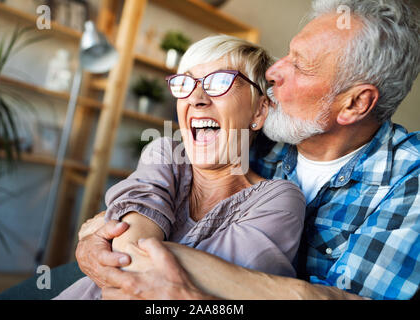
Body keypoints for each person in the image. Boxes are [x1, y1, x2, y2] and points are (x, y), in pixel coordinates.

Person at [75, 0, 420, 300]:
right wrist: (96, 237)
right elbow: (145, 196)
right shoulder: (255, 140)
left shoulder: (409, 180)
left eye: (300, 65)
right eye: (286, 54)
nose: (273, 71)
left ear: (355, 103)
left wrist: (118, 239)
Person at [54, 35, 306, 299]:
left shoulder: (279, 200)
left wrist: (104, 231)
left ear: (259, 111)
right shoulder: (165, 153)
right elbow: (132, 256)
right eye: (185, 83)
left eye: (220, 82)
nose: (196, 98)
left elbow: (230, 290)